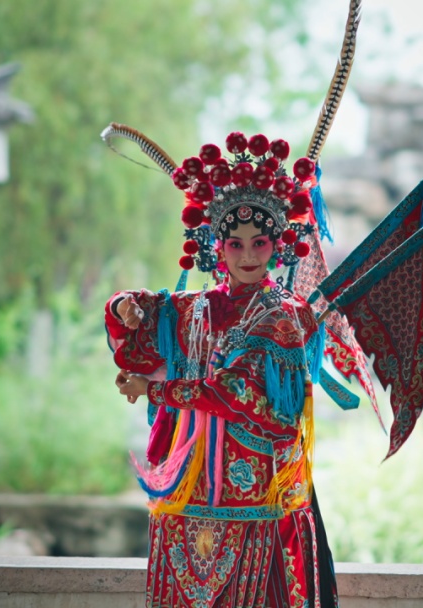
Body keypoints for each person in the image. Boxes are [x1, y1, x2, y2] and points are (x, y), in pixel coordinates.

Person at [105, 132, 339, 607]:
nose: (248, 256)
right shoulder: (195, 307)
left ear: (277, 244)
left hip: (260, 489)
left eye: (259, 243)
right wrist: (124, 307)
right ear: (218, 246)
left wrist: (155, 392)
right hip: (189, 489)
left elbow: (237, 394)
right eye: (235, 244)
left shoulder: (286, 314)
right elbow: (144, 317)